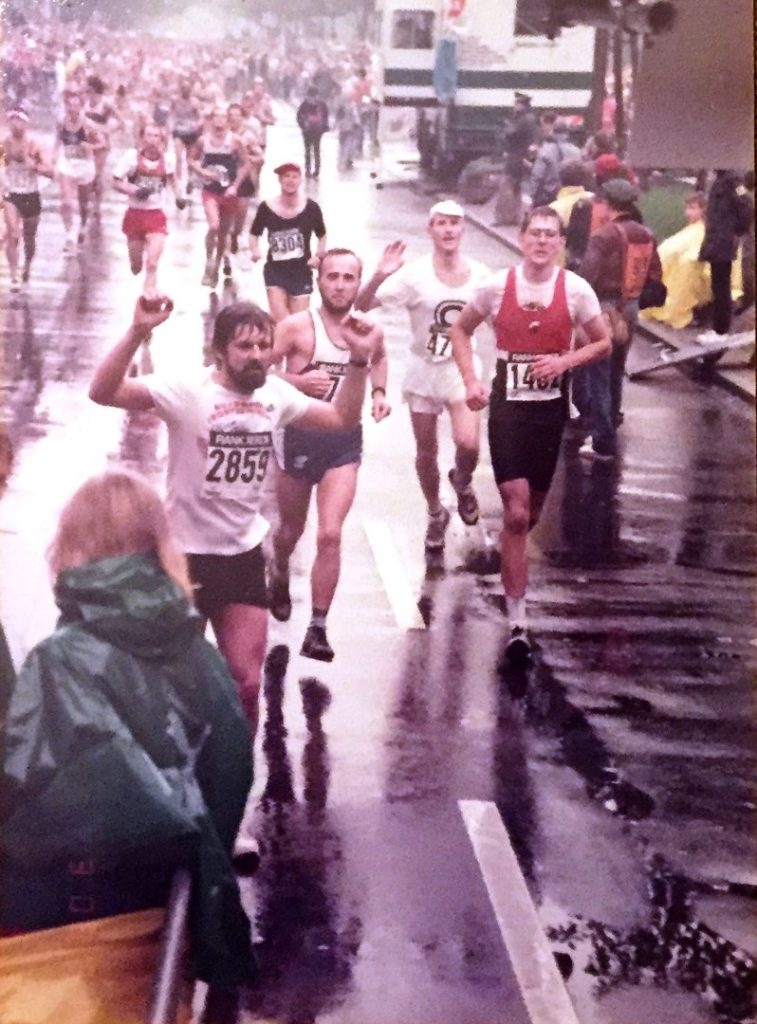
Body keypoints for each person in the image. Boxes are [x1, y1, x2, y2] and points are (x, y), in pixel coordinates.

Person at [0, 470, 254, 1019]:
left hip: (57, 921)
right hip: (167, 911)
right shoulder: (201, 657)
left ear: (70, 551)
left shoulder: (60, 660)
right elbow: (230, 774)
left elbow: (34, 803)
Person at [89, 296, 380, 737]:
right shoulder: (187, 391)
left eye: (264, 345)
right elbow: (103, 392)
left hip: (242, 557)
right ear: (219, 352)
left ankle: (232, 781)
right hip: (183, 560)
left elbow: (341, 418)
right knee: (168, 685)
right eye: (245, 347)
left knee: (246, 685)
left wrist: (358, 361)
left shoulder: (275, 394)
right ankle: (171, 778)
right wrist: (136, 332)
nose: (258, 356)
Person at [450, 206, 610, 662]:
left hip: (550, 411)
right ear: (521, 239)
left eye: (550, 235)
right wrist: (471, 382)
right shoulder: (496, 286)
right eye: (534, 233)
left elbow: (604, 342)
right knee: (516, 515)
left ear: (560, 243)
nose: (541, 241)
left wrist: (564, 362)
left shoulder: (576, 290)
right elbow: (460, 330)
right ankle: (518, 620)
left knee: (531, 512)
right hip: (508, 410)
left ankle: (513, 558)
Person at [268, 249, 390, 662]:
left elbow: (380, 357)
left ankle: (317, 628)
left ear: (359, 284)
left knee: (331, 533)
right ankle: (280, 568)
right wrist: (296, 382)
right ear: (319, 281)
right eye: (333, 277)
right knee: (290, 530)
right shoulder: (295, 328)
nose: (339, 285)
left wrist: (378, 393)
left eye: (348, 278)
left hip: (344, 441)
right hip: (299, 437)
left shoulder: (368, 328)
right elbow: (255, 371)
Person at [355, 199, 491, 552]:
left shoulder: (480, 275)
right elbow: (363, 305)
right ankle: (434, 512)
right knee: (426, 450)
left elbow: (502, 320)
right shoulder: (414, 275)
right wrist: (381, 273)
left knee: (468, 443)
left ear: (463, 230)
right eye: (441, 223)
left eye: (454, 224)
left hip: (461, 370)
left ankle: (461, 483)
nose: (448, 230)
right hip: (423, 369)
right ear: (430, 230)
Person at [576, 178, 662, 459]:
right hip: (631, 307)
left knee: (597, 374)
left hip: (604, 308)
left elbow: (589, 275)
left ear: (609, 204)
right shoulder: (646, 234)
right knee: (616, 372)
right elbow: (655, 273)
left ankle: (602, 440)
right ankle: (611, 422)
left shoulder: (604, 235)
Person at [250, 162, 326, 322]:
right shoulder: (267, 207)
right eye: (286, 176)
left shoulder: (311, 208)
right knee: (282, 321)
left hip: (302, 271)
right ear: (280, 180)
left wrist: (319, 256)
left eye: (294, 176)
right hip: (275, 271)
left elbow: (322, 234)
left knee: (297, 322)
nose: (290, 180)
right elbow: (254, 233)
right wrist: (255, 249)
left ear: (300, 180)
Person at [113, 122, 176, 297]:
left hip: (156, 215)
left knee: (152, 263)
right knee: (136, 266)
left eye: (156, 136)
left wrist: (180, 197)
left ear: (162, 140)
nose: (152, 140)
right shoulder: (131, 158)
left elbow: (172, 179)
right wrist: (134, 190)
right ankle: (137, 266)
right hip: (134, 214)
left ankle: (148, 295)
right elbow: (115, 181)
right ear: (142, 138)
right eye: (149, 135)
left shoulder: (168, 159)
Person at [189, 109, 249, 288]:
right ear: (211, 119)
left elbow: (246, 164)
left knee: (223, 234)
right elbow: (191, 160)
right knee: (213, 225)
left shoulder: (235, 141)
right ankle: (209, 261)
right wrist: (203, 172)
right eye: (216, 117)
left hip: (229, 192)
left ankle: (217, 265)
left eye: (223, 117)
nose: (220, 121)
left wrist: (235, 186)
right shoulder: (203, 140)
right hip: (210, 190)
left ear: (228, 121)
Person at [640, 192, 711, 330]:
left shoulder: (703, 232)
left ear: (704, 210)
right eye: (688, 208)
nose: (687, 212)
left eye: (693, 208)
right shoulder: (692, 230)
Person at [697, 170, 753, 342]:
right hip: (716, 240)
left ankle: (721, 330)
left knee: (721, 286)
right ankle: (718, 328)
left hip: (723, 240)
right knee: (717, 285)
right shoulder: (722, 180)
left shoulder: (732, 181)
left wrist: (737, 230)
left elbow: (747, 206)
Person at [1, 110, 53, 290]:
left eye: (19, 121)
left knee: (29, 238)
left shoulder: (34, 145)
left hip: (31, 194)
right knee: (13, 234)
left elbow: (50, 171)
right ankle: (14, 276)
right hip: (11, 193)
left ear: (26, 124)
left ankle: (27, 267)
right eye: (12, 121)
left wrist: (34, 165)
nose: (15, 125)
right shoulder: (4, 144)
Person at [53, 88, 106, 251]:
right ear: (66, 106)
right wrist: (54, 158)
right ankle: (69, 235)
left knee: (84, 203)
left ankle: (83, 225)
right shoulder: (61, 122)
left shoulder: (87, 124)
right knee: (66, 201)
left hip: (85, 165)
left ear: (81, 107)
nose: (73, 109)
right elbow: (57, 142)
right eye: (70, 105)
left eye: (76, 106)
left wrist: (89, 146)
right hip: (67, 163)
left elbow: (103, 144)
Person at [495, 91, 538, 226]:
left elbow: (511, 134)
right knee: (516, 188)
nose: (514, 106)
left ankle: (506, 217)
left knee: (507, 187)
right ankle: (513, 216)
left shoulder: (523, 119)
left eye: (516, 103)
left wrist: (505, 128)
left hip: (516, 156)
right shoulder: (528, 118)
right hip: (520, 156)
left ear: (522, 105)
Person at [226, 102, 264, 256]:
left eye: (237, 115)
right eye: (231, 115)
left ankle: (236, 235)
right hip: (226, 179)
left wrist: (247, 159)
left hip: (245, 180)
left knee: (240, 217)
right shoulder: (224, 134)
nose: (233, 118)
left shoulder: (248, 136)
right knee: (226, 217)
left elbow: (260, 157)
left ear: (242, 118)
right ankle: (225, 250)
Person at [171, 80, 203, 204]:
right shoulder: (175, 101)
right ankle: (178, 183)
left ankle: (189, 180)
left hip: (191, 132)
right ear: (180, 90)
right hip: (179, 131)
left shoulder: (195, 102)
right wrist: (170, 126)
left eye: (187, 89)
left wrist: (196, 125)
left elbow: (201, 118)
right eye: (183, 88)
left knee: (190, 160)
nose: (185, 91)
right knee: (179, 157)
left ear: (190, 90)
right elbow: (172, 114)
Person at [296, 86, 329, 180]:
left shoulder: (305, 103)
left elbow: (298, 115)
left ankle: (308, 169)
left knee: (307, 150)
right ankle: (317, 169)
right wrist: (323, 128)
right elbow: (326, 117)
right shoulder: (322, 103)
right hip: (318, 130)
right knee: (317, 149)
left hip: (307, 130)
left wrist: (302, 125)